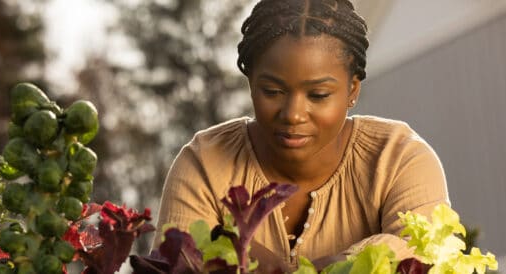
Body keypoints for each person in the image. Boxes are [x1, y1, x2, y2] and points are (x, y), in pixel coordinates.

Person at [153, 0, 450, 271]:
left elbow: (421, 254)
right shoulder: (204, 164)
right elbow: (178, 260)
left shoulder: (399, 159)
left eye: (318, 94)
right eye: (272, 91)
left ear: (352, 90)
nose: (293, 114)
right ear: (251, 83)